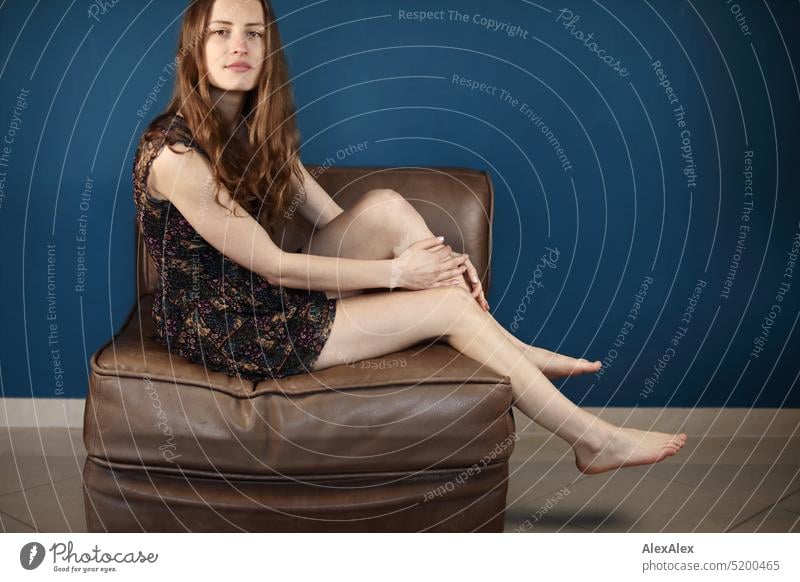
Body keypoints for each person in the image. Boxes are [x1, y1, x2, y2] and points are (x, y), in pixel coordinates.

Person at [133, 0, 686, 475]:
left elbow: (337, 226)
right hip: (228, 326)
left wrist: (437, 261)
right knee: (443, 307)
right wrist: (401, 275)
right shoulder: (177, 156)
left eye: (253, 32)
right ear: (194, 50)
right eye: (221, 32)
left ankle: (508, 343)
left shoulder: (256, 134)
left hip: (265, 297)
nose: (240, 45)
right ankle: (591, 439)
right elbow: (276, 266)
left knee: (388, 207)